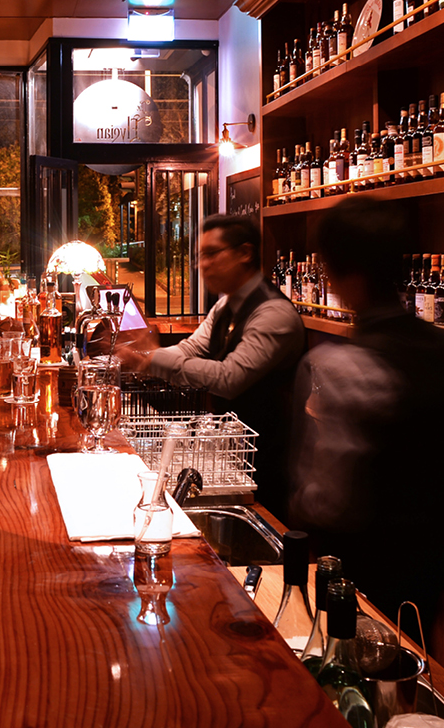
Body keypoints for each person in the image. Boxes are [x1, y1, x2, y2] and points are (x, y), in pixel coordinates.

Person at [287, 196, 444, 624]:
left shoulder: (340, 367)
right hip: (426, 566)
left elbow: (325, 502)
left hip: (356, 580)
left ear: (335, 271)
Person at [115, 215, 304, 513]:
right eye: (200, 256)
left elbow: (230, 378)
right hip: (229, 452)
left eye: (212, 254)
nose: (203, 264)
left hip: (265, 461)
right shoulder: (225, 305)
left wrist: (149, 359)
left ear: (245, 253)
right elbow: (193, 347)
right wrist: (141, 357)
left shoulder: (274, 315)